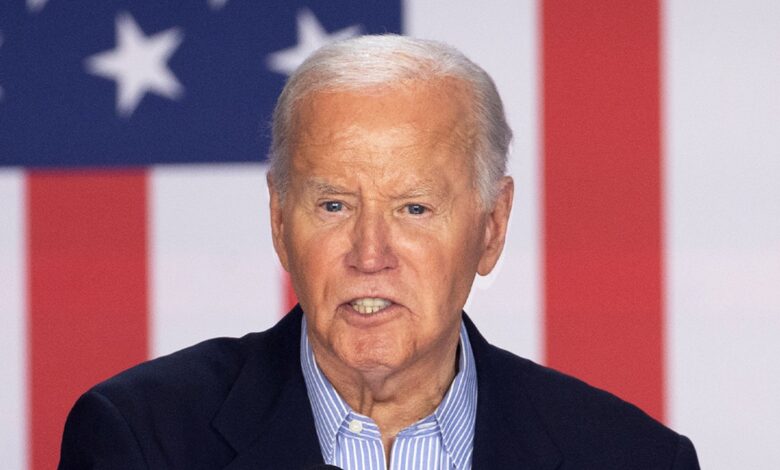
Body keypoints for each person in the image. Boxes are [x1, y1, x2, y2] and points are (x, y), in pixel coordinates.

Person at [59, 35, 699, 470]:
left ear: (492, 227)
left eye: (413, 208)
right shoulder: (139, 439)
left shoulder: (629, 456)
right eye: (334, 205)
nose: (371, 254)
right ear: (280, 221)